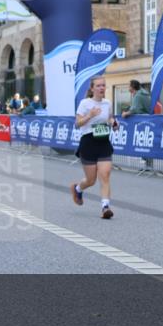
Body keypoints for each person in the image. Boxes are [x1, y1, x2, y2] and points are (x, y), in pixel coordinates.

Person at [71, 75, 117, 219]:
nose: (102, 88)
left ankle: (105, 207)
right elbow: (77, 124)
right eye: (98, 86)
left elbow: (109, 118)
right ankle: (78, 189)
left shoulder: (107, 103)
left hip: (103, 142)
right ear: (92, 88)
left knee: (105, 175)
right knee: (91, 180)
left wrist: (114, 123)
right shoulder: (85, 103)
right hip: (88, 142)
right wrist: (90, 115)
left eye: (103, 85)